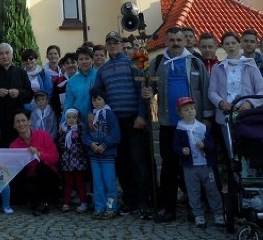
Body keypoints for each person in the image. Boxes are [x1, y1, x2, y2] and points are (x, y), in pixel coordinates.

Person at [145, 27, 212, 223]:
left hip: (192, 124)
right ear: (166, 42)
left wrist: (206, 116)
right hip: (167, 123)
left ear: (185, 42)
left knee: (192, 166)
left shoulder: (195, 63)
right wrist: (148, 92)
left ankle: (195, 207)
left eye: (178, 40)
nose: (175, 43)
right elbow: (150, 86)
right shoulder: (158, 63)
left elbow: (205, 89)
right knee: (168, 167)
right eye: (172, 39)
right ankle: (169, 208)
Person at [93, 30, 151, 218]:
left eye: (116, 42)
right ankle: (130, 201)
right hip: (114, 122)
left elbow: (141, 90)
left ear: (121, 44)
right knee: (122, 163)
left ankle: (144, 201)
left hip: (134, 119)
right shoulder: (103, 69)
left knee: (138, 161)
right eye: (109, 43)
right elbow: (98, 93)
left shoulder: (134, 63)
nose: (113, 46)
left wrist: (141, 116)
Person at [207, 31, 263, 174]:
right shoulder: (218, 67)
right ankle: (238, 185)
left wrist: (249, 103)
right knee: (232, 154)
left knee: (251, 151)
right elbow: (212, 91)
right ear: (223, 47)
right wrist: (221, 103)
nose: (231, 46)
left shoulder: (250, 65)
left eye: (233, 43)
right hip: (227, 116)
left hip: (248, 115)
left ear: (239, 44)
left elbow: (262, 91)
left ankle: (256, 185)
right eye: (227, 44)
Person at [172, 96, 225, 229]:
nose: (190, 112)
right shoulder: (179, 129)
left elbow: (212, 144)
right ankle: (198, 214)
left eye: (192, 109)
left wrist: (205, 145)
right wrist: (181, 150)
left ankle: (218, 213)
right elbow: (175, 146)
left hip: (205, 165)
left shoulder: (202, 127)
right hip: (190, 167)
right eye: (186, 110)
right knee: (193, 191)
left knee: (212, 190)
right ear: (180, 113)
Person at [0, 43, 32, 146]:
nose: (4, 56)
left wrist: (19, 93)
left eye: (7, 53)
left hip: (16, 121)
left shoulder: (21, 73)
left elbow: (29, 95)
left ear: (12, 55)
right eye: (1, 54)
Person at [10, 110, 60, 215]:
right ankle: (40, 203)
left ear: (29, 122)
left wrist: (39, 154)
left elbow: (55, 158)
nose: (21, 124)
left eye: (23, 120)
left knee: (40, 166)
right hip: (32, 176)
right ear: (14, 126)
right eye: (17, 122)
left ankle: (45, 200)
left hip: (49, 174)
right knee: (28, 185)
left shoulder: (43, 135)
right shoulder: (14, 146)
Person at [84, 87, 121, 218]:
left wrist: (104, 145)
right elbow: (85, 135)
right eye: (94, 100)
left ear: (104, 100)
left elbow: (115, 135)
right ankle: (99, 207)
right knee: (97, 183)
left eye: (99, 99)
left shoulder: (110, 115)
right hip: (94, 156)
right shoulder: (90, 117)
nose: (97, 102)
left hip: (108, 155)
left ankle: (111, 207)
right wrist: (91, 144)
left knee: (109, 182)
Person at [57, 108, 88, 213]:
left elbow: (81, 143)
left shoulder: (80, 129)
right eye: (69, 117)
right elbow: (61, 144)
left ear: (77, 118)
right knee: (68, 183)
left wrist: (75, 134)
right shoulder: (63, 130)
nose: (71, 120)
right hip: (67, 161)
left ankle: (83, 202)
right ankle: (66, 202)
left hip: (78, 161)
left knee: (80, 182)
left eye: (73, 117)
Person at [64, 46, 96, 124]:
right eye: (81, 59)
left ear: (92, 60)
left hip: (96, 119)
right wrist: (63, 122)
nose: (84, 61)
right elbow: (69, 103)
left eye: (87, 58)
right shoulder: (72, 81)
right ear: (78, 62)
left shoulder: (99, 76)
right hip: (78, 122)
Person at [21, 48, 52, 113]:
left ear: (36, 59)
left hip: (41, 109)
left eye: (31, 58)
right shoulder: (20, 74)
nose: (28, 60)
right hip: (25, 110)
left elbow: (49, 92)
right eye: (25, 59)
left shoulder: (43, 73)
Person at [43, 45, 66, 117]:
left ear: (59, 55)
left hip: (62, 104)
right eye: (50, 54)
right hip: (48, 104)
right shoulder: (43, 72)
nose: (53, 56)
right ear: (47, 56)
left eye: (55, 53)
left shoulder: (64, 72)